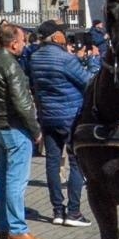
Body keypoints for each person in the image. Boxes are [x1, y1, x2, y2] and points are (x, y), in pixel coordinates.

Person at [0, 23, 48, 239]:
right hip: (15, 127)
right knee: (16, 180)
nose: (24, 45)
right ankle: (18, 228)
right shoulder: (11, 65)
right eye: (22, 41)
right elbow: (23, 103)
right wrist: (36, 130)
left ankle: (3, 226)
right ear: (13, 43)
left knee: (1, 177)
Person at [29, 20, 93, 227]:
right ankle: (73, 212)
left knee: (52, 162)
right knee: (76, 161)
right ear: (56, 37)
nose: (66, 36)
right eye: (63, 33)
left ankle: (57, 210)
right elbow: (88, 82)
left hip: (47, 116)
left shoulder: (35, 57)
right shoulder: (66, 59)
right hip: (70, 116)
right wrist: (92, 62)